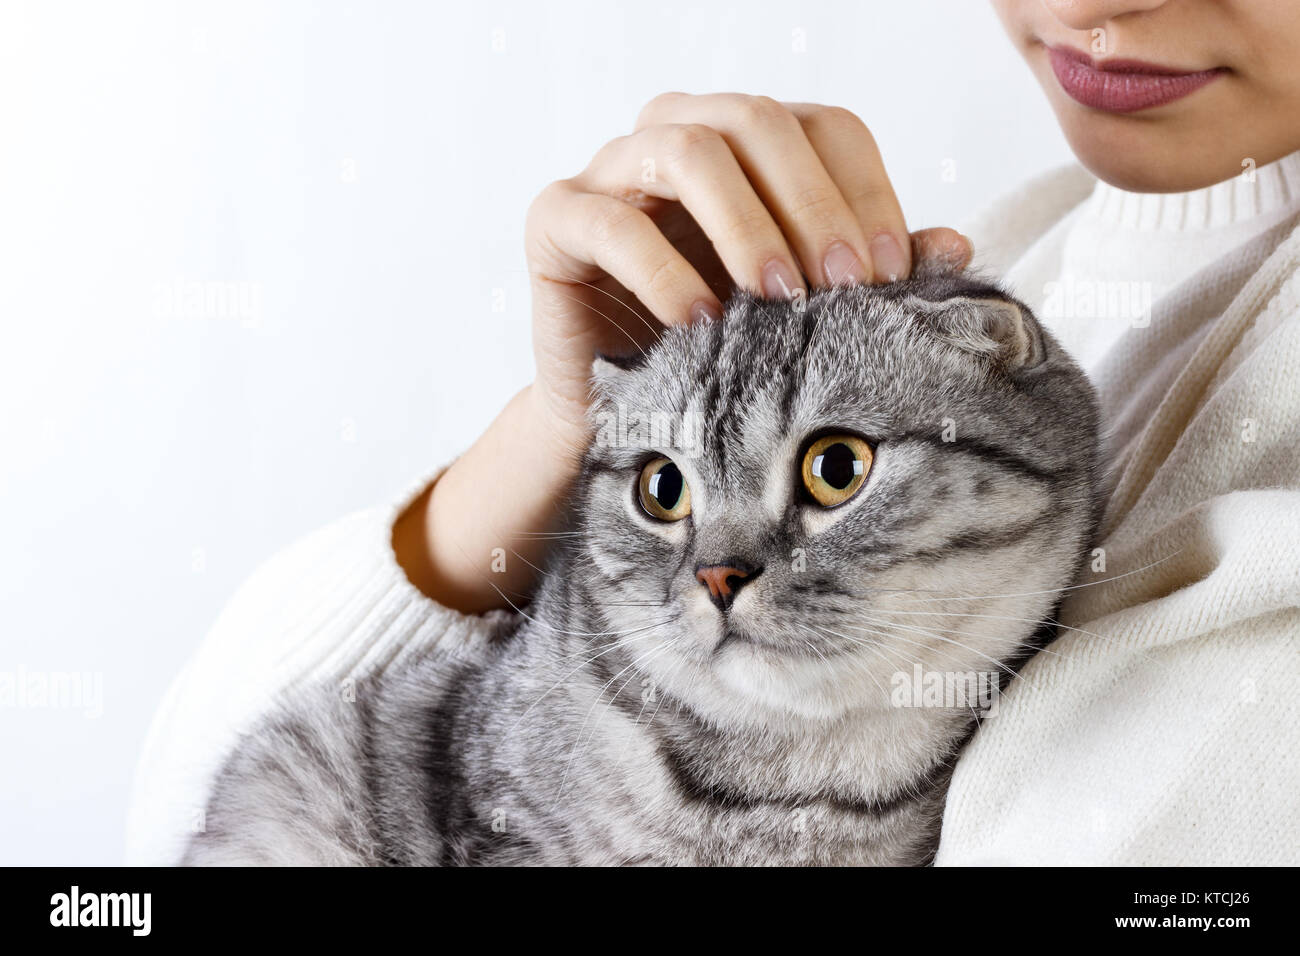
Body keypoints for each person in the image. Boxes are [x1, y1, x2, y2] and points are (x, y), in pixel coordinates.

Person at [127, 0, 1300, 865]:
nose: (1088, 9)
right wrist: (561, 421)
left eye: (835, 467)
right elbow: (178, 814)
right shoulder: (1025, 236)